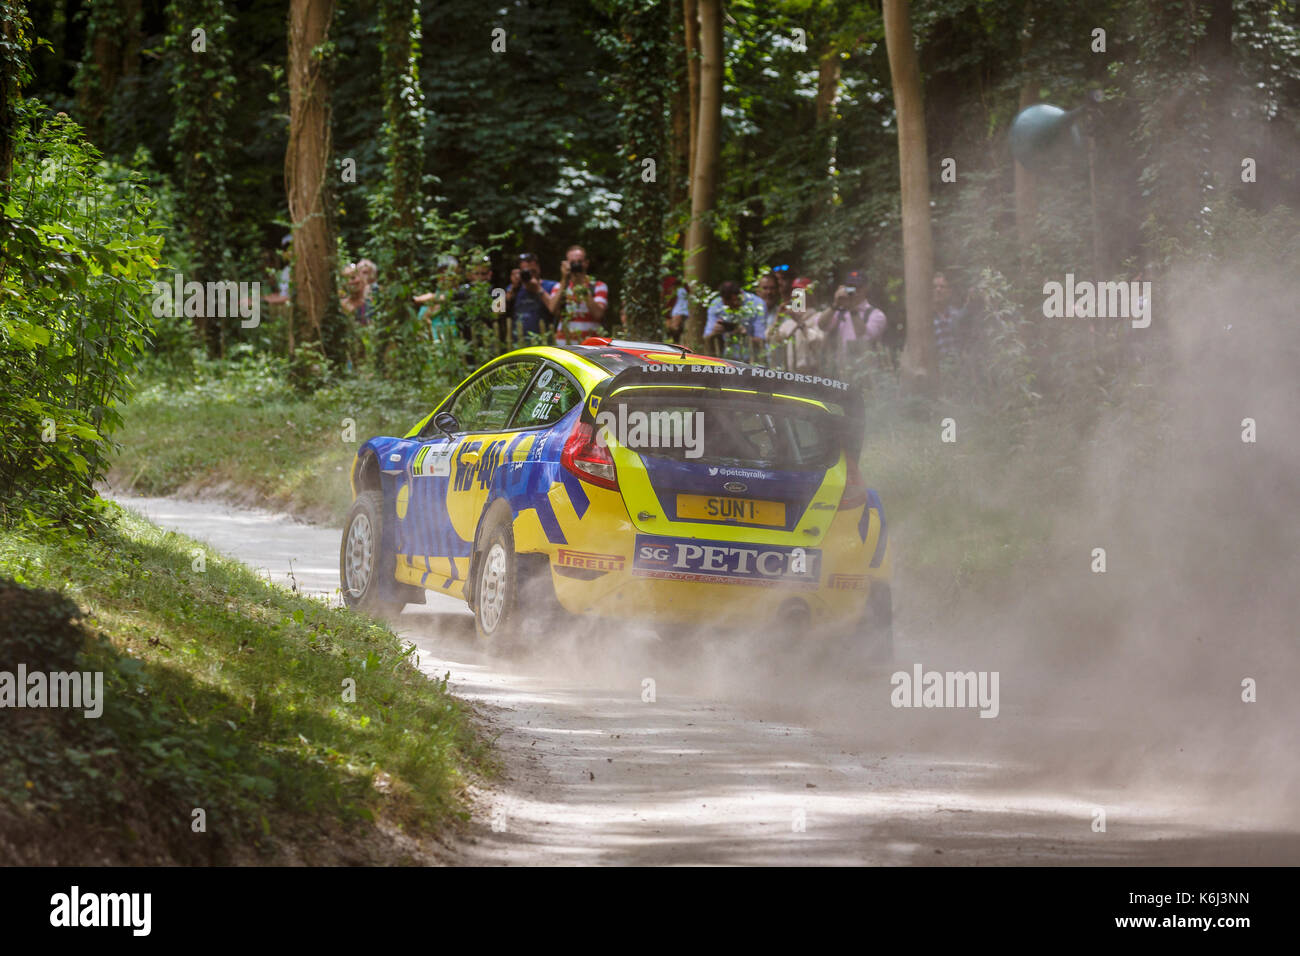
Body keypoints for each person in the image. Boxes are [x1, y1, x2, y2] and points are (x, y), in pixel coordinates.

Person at [818, 271, 886, 378]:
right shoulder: (839, 311)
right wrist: (835, 304)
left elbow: (865, 336)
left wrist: (852, 309)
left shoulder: (876, 315)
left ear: (866, 288)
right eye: (850, 287)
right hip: (838, 374)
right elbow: (821, 325)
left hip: (865, 375)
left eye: (858, 287)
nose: (854, 291)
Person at [545, 245, 608, 345]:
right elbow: (552, 309)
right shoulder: (560, 286)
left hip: (590, 346)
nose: (576, 265)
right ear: (566, 264)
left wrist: (582, 286)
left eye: (579, 262)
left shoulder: (598, 286)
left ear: (586, 263)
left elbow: (598, 314)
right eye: (573, 262)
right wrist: (564, 279)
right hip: (564, 345)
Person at [768, 277, 823, 372]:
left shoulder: (818, 317)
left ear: (809, 296)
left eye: (801, 293)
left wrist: (800, 323)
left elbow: (818, 343)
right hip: (791, 374)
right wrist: (778, 318)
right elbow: (772, 340)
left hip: (812, 374)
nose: (796, 296)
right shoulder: (789, 322)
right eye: (794, 293)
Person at [703, 280, 765, 361]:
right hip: (727, 358)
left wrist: (744, 334)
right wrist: (715, 332)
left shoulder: (757, 304)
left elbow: (762, 340)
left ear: (740, 295)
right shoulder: (716, 304)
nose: (731, 308)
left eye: (733, 304)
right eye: (727, 306)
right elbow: (706, 337)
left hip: (753, 359)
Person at [507, 252, 557, 345]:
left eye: (533, 271)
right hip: (518, 343)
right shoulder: (512, 288)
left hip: (545, 342)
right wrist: (513, 288)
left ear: (539, 268)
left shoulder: (551, 286)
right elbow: (497, 312)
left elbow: (554, 309)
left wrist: (538, 289)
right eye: (526, 272)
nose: (530, 275)